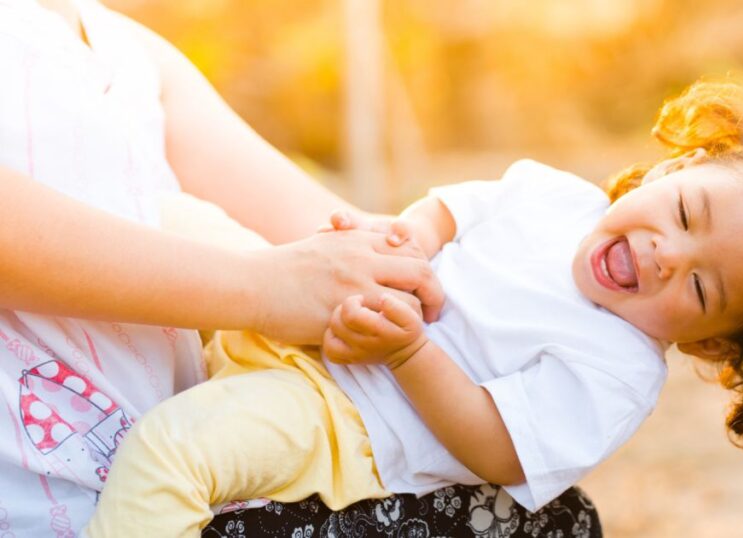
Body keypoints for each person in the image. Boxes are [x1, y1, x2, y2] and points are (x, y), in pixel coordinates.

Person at [85, 78, 743, 537]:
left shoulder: (617, 374)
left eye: (703, 287)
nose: (666, 253)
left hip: (337, 412)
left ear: (716, 340)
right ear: (672, 169)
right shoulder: (551, 195)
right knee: (157, 223)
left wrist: (407, 354)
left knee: (175, 453)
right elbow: (446, 211)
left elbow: (493, 445)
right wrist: (404, 244)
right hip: (312, 305)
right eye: (688, 212)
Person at [1, 0, 594, 535]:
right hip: (36, 496)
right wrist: (264, 288)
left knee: (552, 517)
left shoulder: (127, 48)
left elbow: (337, 236)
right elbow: (286, 279)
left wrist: (536, 318)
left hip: (191, 490)